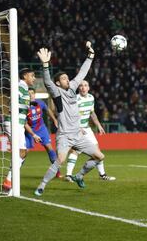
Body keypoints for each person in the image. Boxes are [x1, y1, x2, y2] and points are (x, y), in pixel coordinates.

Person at [34, 41, 106, 196]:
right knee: (60, 159)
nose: (68, 80)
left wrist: (91, 56)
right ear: (59, 83)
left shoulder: (73, 87)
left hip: (78, 134)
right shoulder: (57, 92)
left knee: (100, 156)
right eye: (64, 79)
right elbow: (47, 82)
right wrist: (45, 65)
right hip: (65, 135)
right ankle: (42, 185)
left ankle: (79, 176)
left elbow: (82, 73)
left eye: (67, 78)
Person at [65, 80, 115, 182]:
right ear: (79, 88)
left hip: (87, 129)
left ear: (88, 88)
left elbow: (92, 113)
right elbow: (69, 116)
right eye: (81, 86)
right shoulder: (75, 99)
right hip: (76, 129)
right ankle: (68, 175)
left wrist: (99, 125)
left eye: (85, 85)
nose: (83, 87)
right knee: (75, 151)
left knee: (97, 152)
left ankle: (102, 175)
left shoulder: (91, 98)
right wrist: (77, 128)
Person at [3, 68, 41, 191]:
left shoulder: (24, 88)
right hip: (13, 123)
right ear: (25, 76)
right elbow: (13, 103)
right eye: (32, 75)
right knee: (21, 153)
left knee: (23, 153)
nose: (34, 78)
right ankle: (9, 181)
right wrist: (29, 104)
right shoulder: (20, 86)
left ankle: (9, 180)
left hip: (18, 123)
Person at [25, 87, 61, 178]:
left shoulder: (40, 103)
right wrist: (33, 134)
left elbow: (48, 110)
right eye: (28, 94)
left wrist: (54, 120)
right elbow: (24, 123)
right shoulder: (24, 106)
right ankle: (14, 172)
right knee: (24, 152)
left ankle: (57, 171)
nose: (30, 95)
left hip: (41, 129)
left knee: (49, 148)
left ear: (34, 94)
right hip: (29, 130)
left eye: (32, 93)